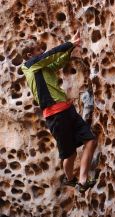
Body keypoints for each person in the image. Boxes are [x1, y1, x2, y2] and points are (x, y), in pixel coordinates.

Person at [19, 31, 97, 193]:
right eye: (38, 50)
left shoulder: (42, 67)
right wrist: (69, 43)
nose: (41, 51)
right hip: (55, 116)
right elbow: (50, 55)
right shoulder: (29, 66)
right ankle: (70, 180)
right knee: (70, 155)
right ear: (29, 55)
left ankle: (82, 180)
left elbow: (57, 62)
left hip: (67, 109)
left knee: (91, 141)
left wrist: (70, 49)